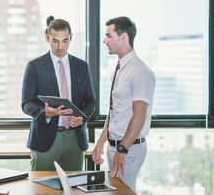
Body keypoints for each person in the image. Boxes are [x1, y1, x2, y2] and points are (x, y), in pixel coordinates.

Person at [22, 16, 96, 171]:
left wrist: (82, 118)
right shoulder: (35, 66)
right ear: (47, 37)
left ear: (71, 38)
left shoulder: (82, 66)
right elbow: (26, 103)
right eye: (55, 40)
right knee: (40, 190)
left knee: (73, 189)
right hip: (44, 138)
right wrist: (45, 113)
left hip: (75, 139)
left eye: (65, 40)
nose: (60, 46)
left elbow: (91, 102)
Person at [92, 16, 155, 191]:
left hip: (128, 148)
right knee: (115, 191)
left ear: (123, 37)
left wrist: (123, 150)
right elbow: (115, 110)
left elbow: (140, 114)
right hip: (116, 146)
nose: (105, 41)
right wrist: (101, 141)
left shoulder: (140, 71)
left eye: (108, 36)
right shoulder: (120, 68)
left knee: (123, 192)